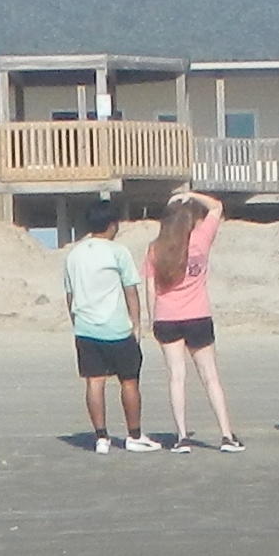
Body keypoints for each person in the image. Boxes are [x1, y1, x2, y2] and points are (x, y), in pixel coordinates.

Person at [59, 202, 155, 450]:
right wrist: (137, 323)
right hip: (116, 328)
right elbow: (130, 290)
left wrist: (75, 321)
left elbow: (70, 295)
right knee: (129, 381)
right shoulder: (118, 252)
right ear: (112, 225)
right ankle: (134, 436)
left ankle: (101, 437)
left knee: (95, 381)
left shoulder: (74, 255)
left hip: (85, 328)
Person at [145, 189, 234, 448]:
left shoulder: (156, 247)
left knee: (176, 377)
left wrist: (153, 319)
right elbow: (217, 207)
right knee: (210, 377)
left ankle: (182, 436)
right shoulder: (200, 239)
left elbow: (150, 288)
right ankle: (226, 434)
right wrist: (190, 194)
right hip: (197, 314)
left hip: (167, 317)